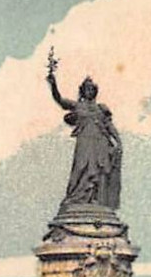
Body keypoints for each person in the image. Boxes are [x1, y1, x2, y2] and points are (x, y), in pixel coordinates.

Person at [45, 50, 121, 211]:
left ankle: (94, 200)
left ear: (95, 92)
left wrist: (118, 141)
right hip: (85, 140)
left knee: (99, 172)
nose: (89, 91)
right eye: (86, 89)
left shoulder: (101, 109)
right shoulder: (77, 106)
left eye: (92, 89)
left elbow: (109, 126)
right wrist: (53, 84)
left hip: (100, 142)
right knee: (81, 167)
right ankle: (75, 198)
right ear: (82, 91)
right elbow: (59, 99)